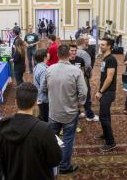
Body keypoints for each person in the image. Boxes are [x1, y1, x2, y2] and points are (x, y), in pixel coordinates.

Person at [0, 82, 62, 180]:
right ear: (35, 102)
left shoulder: (1, 125)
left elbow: (0, 154)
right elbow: (55, 160)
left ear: (16, 101)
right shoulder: (44, 129)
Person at [40, 45, 87, 174]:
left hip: (53, 112)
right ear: (69, 55)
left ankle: (50, 165)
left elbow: (42, 89)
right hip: (70, 113)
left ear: (58, 55)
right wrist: (79, 104)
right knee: (68, 140)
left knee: (52, 139)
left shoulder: (49, 69)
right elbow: (83, 92)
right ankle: (65, 166)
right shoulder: (76, 71)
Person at [94, 37, 117, 152]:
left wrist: (100, 92)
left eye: (103, 45)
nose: (100, 46)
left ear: (109, 46)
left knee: (103, 117)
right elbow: (103, 76)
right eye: (100, 44)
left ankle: (111, 142)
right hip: (104, 91)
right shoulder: (105, 58)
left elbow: (109, 78)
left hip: (108, 92)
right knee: (106, 115)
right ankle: (105, 133)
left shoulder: (111, 59)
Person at [75, 39, 99, 121]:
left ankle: (77, 113)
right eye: (86, 44)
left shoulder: (71, 52)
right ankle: (89, 115)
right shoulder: (84, 54)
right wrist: (88, 76)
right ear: (84, 44)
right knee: (86, 96)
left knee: (74, 96)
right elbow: (88, 67)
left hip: (71, 79)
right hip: (82, 78)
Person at [33, 48, 49, 122]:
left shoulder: (37, 67)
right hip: (44, 100)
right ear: (45, 57)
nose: (49, 54)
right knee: (45, 119)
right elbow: (44, 87)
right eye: (47, 53)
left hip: (40, 97)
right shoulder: (44, 70)